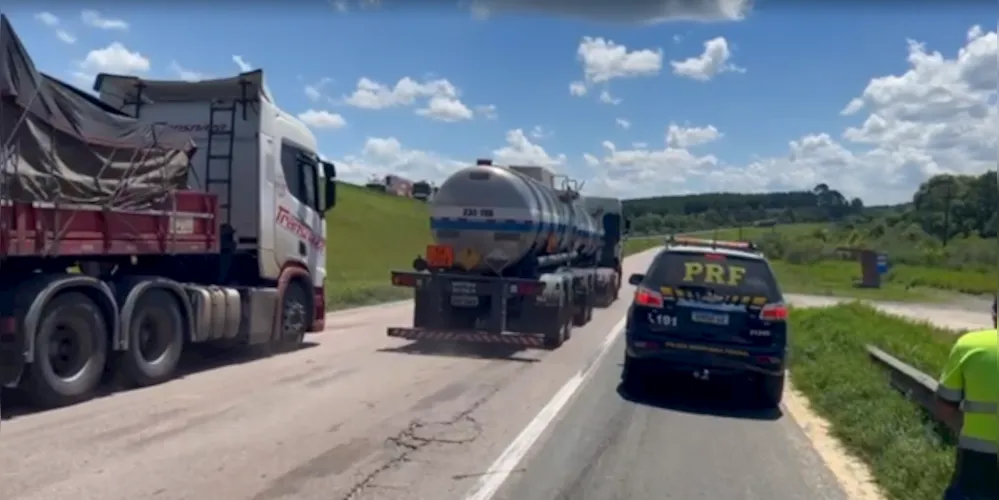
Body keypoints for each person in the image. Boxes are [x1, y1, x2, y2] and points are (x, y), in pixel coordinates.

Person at [935, 310, 999, 500]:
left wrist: (963, 428)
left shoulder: (970, 345)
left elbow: (945, 407)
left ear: (994, 314)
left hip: (979, 459)